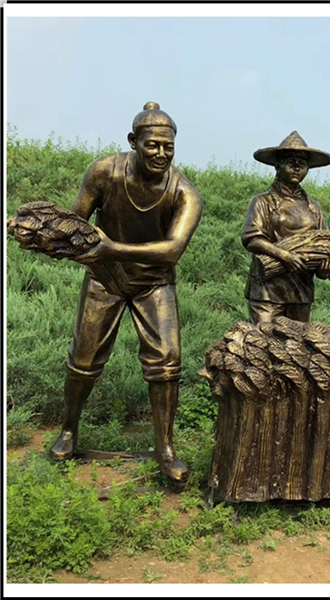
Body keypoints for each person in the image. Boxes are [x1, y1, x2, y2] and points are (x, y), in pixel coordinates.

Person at [49, 102, 203, 481]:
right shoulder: (104, 172)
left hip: (154, 283)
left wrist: (111, 248)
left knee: (167, 362)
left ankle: (165, 449)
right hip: (104, 278)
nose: (161, 154)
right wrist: (52, 236)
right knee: (83, 359)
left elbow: (172, 251)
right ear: (133, 141)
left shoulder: (185, 193)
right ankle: (68, 431)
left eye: (168, 147)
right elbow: (75, 223)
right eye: (152, 145)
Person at [242, 131, 330, 324]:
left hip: (301, 292)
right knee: (262, 338)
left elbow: (324, 244)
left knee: (297, 342)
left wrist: (325, 265)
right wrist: (284, 256)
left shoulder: (313, 208)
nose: (296, 168)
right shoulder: (263, 202)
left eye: (302, 164)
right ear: (278, 166)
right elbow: (252, 239)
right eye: (291, 163)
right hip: (267, 291)